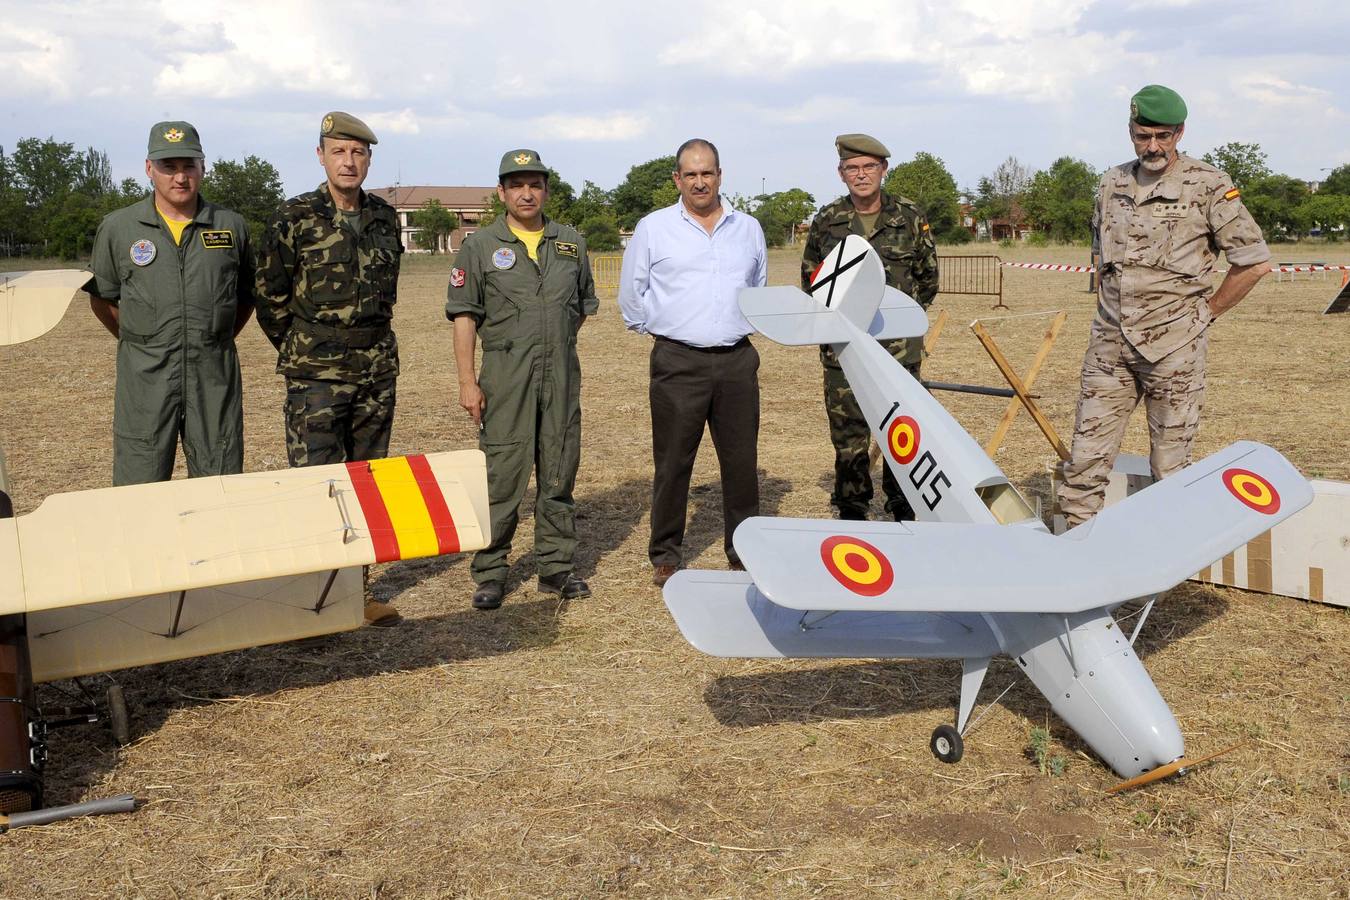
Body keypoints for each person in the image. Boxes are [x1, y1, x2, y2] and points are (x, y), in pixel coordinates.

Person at [1057, 85, 1271, 527]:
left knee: (1170, 469)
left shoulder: (1209, 185)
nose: (1152, 146)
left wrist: (1205, 314)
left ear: (1180, 132)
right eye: (1142, 135)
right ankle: (1076, 559)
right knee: (1083, 462)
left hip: (1174, 349)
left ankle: (1160, 573)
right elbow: (1103, 256)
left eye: (1163, 136)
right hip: (1110, 347)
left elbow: (1252, 262)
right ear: (1130, 130)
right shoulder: (1111, 181)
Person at [255, 111, 404, 626]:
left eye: (358, 152)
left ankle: (355, 595)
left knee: (368, 482)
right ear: (320, 156)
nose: (349, 161)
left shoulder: (385, 218)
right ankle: (311, 601)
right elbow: (270, 297)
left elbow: (387, 295)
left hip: (375, 370)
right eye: (339, 151)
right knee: (316, 485)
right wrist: (306, 347)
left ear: (369, 159)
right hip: (316, 374)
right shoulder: (293, 217)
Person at [445, 149, 598, 610]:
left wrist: (550, 345)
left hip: (561, 377)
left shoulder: (570, 243)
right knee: (502, 476)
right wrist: (468, 382)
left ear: (546, 190)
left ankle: (555, 568)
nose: (526, 192)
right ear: (502, 192)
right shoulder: (479, 246)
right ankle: (491, 572)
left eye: (534, 184)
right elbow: (464, 318)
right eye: (516, 185)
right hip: (506, 378)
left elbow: (580, 309)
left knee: (558, 471)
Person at [619, 139, 768, 587]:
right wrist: (665, 331)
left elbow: (758, 284)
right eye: (691, 174)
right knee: (673, 461)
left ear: (720, 175)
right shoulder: (654, 228)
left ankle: (744, 550)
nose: (700, 181)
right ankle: (666, 554)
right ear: (677, 179)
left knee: (740, 462)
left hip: (737, 361)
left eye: (708, 173)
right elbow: (633, 293)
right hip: (677, 361)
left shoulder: (749, 228)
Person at [88, 121, 255, 487]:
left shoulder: (230, 227)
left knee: (221, 484)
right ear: (150, 169)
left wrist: (212, 337)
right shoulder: (119, 229)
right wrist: (144, 339)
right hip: (146, 378)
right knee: (139, 487)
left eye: (188, 165)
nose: (179, 177)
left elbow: (244, 298)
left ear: (202, 167)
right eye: (168, 167)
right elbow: (103, 300)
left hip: (213, 378)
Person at [801, 134, 938, 522]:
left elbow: (927, 279)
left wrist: (898, 325)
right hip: (842, 349)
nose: (861, 175)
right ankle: (852, 509)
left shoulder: (910, 216)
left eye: (868, 167)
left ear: (884, 170)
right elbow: (812, 281)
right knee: (848, 434)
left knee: (901, 429)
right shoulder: (827, 221)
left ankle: (904, 505)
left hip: (897, 350)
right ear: (841, 173)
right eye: (852, 168)